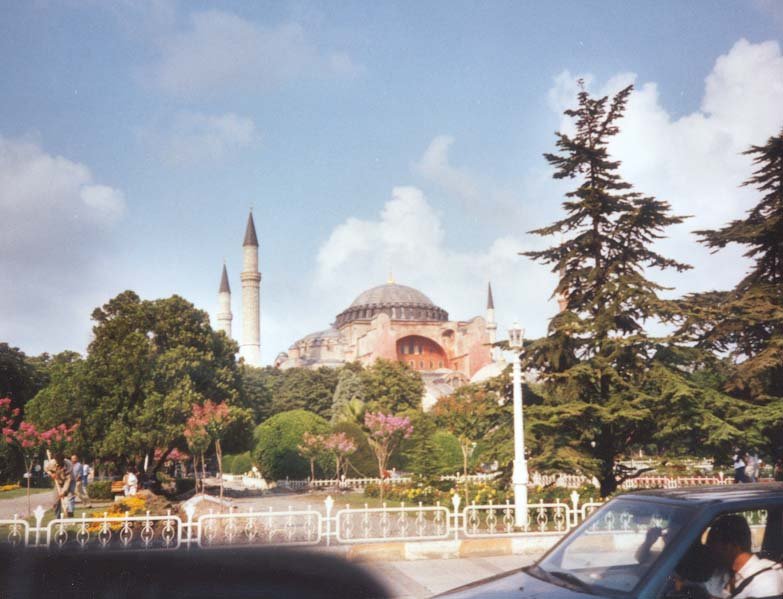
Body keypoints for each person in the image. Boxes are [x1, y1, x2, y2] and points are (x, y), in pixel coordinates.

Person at [705, 513, 783, 598]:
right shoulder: (729, 575)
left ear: (731, 545)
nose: (708, 550)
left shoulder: (764, 580)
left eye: (712, 544)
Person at [45, 453, 74, 519]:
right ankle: (57, 518)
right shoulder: (52, 463)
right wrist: (51, 474)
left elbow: (68, 481)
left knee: (70, 498)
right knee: (56, 501)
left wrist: (63, 491)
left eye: (60, 462)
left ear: (63, 460)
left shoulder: (69, 465)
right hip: (58, 481)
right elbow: (46, 469)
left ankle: (70, 515)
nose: (58, 463)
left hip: (69, 481)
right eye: (57, 462)